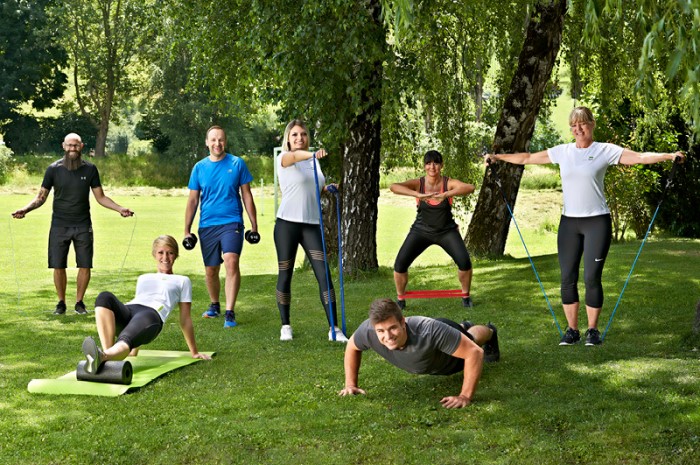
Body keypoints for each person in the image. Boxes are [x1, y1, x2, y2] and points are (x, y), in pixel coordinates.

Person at [485, 106, 686, 346]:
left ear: (592, 124)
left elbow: (639, 157)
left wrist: (668, 156)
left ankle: (592, 330)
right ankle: (572, 331)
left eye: (582, 123)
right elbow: (527, 158)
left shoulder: (605, 150)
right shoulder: (563, 152)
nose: (577, 129)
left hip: (596, 222)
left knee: (592, 277)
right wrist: (498, 158)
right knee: (567, 278)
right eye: (573, 125)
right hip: (569, 223)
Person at [11, 133, 133, 315]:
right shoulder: (53, 169)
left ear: (81, 146)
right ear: (63, 146)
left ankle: (79, 303)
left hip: (83, 225)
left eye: (75, 145)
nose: (72, 149)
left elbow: (101, 197)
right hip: (59, 225)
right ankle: (61, 303)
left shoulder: (90, 169)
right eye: (69, 145)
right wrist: (25, 210)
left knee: (85, 265)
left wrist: (120, 209)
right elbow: (41, 197)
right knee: (58, 265)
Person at [81, 235, 211, 373]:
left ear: (176, 255)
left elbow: (185, 319)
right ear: (154, 254)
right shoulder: (143, 278)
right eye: (161, 252)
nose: (165, 257)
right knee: (104, 297)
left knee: (127, 337)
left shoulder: (182, 281)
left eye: (170, 253)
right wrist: (134, 350)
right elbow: (137, 306)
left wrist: (194, 352)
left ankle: (103, 356)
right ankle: (108, 357)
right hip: (130, 310)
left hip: (152, 315)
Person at [338, 298, 499, 408]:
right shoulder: (368, 330)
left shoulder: (430, 331)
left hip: (450, 358)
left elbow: (475, 353)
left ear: (403, 322)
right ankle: (462, 327)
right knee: (456, 335)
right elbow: (352, 346)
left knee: (472, 338)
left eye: (393, 328)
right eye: (380, 331)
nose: (388, 337)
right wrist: (350, 385)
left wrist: (465, 396)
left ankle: (490, 331)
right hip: (439, 335)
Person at [274, 119, 346, 342]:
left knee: (324, 274)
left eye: (303, 134)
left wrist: (327, 188)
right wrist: (312, 154)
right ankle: (285, 325)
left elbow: (312, 186)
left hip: (311, 224)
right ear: (288, 138)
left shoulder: (313, 163)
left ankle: (334, 328)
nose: (299, 138)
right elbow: (294, 157)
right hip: (287, 224)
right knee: (285, 274)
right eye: (294, 135)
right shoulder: (284, 158)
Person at [184, 125, 258, 329]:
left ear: (226, 141)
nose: (217, 143)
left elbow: (247, 195)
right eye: (213, 140)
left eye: (221, 140)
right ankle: (215, 305)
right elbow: (192, 201)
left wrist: (254, 225)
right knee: (211, 270)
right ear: (207, 143)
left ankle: (230, 312)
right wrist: (186, 229)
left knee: (231, 261)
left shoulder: (237, 163)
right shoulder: (199, 168)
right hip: (207, 224)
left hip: (232, 221)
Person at [391, 150, 476, 309]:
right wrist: (417, 194)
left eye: (436, 163)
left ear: (441, 165)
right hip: (421, 231)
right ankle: (401, 299)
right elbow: (393, 187)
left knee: (464, 262)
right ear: (424, 166)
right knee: (400, 264)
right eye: (428, 163)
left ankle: (465, 296)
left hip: (446, 231)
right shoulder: (419, 183)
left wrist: (446, 194)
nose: (432, 167)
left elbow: (470, 187)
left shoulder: (447, 182)